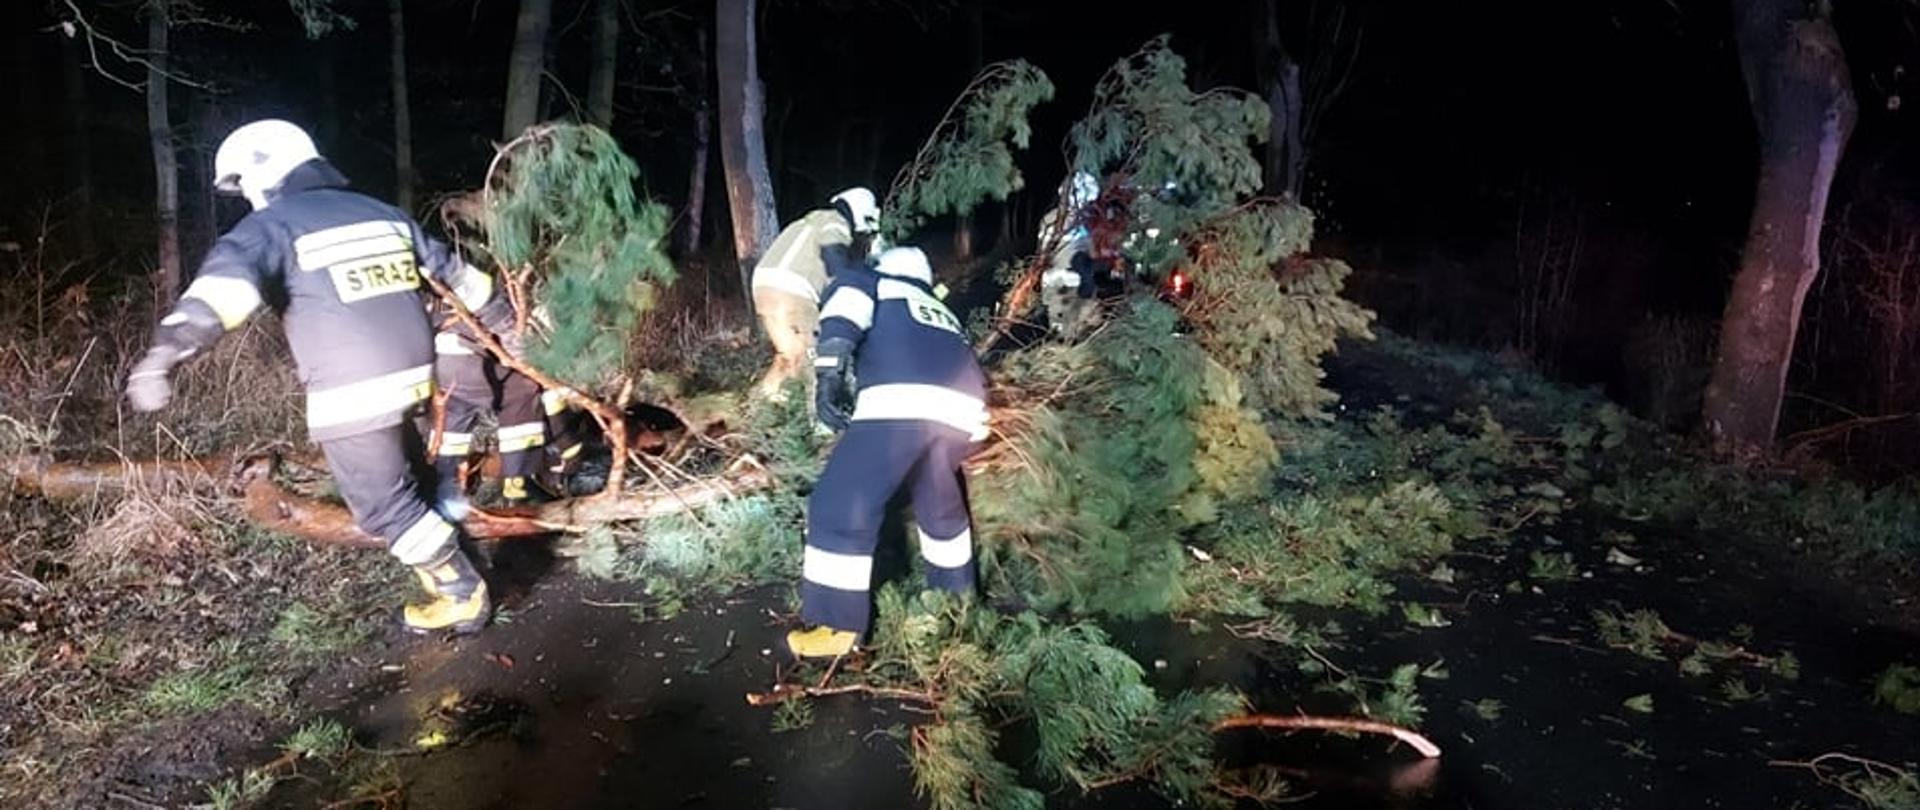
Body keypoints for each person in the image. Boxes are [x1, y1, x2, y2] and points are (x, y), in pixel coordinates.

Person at [125, 119, 513, 635]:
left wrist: (162, 358)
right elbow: (460, 278)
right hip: (417, 377)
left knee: (384, 509)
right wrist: (508, 322)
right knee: (410, 480)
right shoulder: (383, 214)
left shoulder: (272, 228)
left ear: (264, 173)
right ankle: (461, 545)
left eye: (243, 185)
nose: (247, 198)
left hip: (352, 393)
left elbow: (219, 298)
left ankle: (461, 594)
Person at [786, 246, 989, 659]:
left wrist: (829, 374)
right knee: (941, 507)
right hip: (966, 413)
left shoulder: (873, 281)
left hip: (901, 402)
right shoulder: (937, 307)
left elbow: (845, 305)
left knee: (841, 501)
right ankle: (957, 605)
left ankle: (836, 625)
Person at [749, 187, 880, 401]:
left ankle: (760, 406)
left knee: (790, 355)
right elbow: (834, 256)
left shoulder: (809, 221)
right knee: (817, 360)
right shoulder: (834, 220)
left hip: (764, 289)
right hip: (792, 292)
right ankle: (821, 426)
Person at [429, 321, 550, 511]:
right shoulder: (476, 290)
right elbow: (497, 315)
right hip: (464, 356)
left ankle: (443, 491)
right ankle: (519, 485)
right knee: (523, 391)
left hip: (437, 361)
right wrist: (527, 357)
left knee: (454, 418)